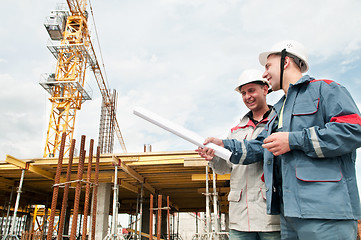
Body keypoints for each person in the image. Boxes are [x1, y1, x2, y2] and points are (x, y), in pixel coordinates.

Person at [197, 40, 361, 240]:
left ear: (285, 62)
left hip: (326, 212)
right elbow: (259, 146)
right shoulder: (279, 110)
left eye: (268, 66)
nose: (265, 74)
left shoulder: (324, 89)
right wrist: (224, 145)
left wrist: (294, 141)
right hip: (289, 215)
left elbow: (353, 130)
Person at [208, 69, 280, 240]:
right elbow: (224, 168)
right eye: (243, 93)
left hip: (270, 218)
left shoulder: (278, 122)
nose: (248, 96)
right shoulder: (235, 132)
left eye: (251, 90)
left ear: (265, 89)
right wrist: (213, 158)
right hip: (240, 218)